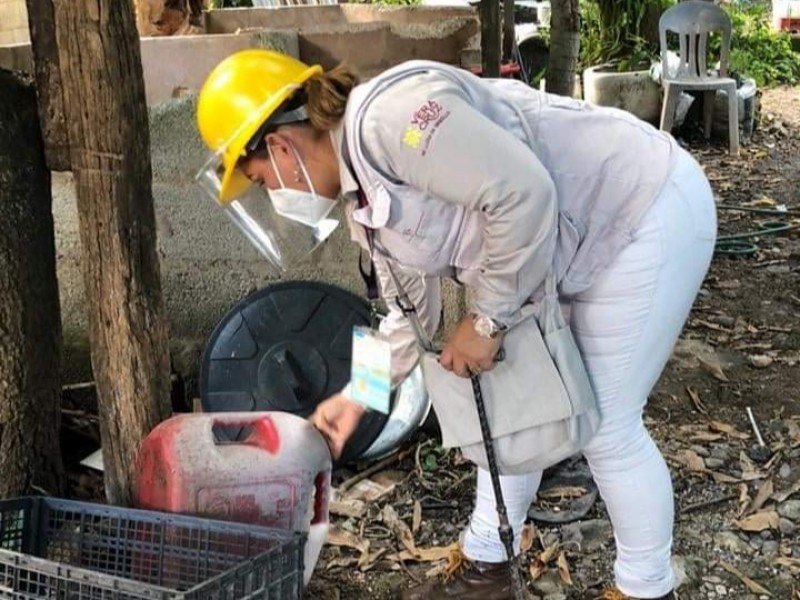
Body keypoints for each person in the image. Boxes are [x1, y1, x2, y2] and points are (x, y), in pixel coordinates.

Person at [194, 49, 717, 600]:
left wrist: (487, 320)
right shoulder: (363, 194)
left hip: (641, 209)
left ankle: (645, 587)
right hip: (563, 247)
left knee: (607, 424)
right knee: (508, 404)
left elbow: (523, 193)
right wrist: (358, 397)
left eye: (260, 180)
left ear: (279, 146)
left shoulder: (390, 121)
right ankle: (487, 566)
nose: (273, 195)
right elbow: (406, 316)